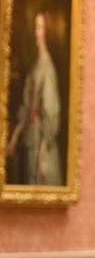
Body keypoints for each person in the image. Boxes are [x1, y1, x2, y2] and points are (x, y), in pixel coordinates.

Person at [6, 11, 63, 186]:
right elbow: (26, 106)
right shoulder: (34, 66)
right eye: (35, 27)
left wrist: (42, 154)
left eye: (39, 27)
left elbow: (51, 113)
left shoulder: (48, 69)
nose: (35, 32)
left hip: (41, 143)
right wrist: (14, 137)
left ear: (47, 31)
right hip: (31, 138)